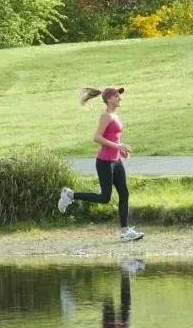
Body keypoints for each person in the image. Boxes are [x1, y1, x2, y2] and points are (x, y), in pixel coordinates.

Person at [58, 86, 144, 242]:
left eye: (119, 96)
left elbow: (113, 137)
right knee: (105, 197)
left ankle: (125, 231)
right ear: (109, 99)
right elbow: (97, 137)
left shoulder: (115, 115)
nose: (120, 98)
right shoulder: (106, 116)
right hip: (104, 162)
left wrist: (121, 150)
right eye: (117, 96)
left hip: (116, 161)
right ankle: (69, 195)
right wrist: (118, 147)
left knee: (124, 194)